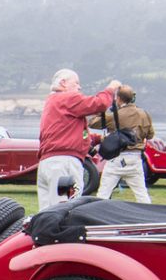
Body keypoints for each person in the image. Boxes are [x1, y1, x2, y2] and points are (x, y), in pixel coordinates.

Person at [37, 68, 119, 211]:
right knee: (66, 209)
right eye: (76, 83)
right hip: (64, 163)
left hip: (48, 163)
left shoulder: (52, 102)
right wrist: (111, 89)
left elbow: (67, 133)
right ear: (63, 83)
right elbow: (98, 104)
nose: (79, 87)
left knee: (46, 212)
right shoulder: (67, 98)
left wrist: (98, 138)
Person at [91, 85, 154, 203]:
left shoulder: (116, 115)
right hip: (136, 158)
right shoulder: (144, 114)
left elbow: (93, 123)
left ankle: (97, 215)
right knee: (142, 194)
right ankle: (149, 217)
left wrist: (103, 110)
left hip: (117, 157)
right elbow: (150, 135)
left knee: (103, 192)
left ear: (118, 98)